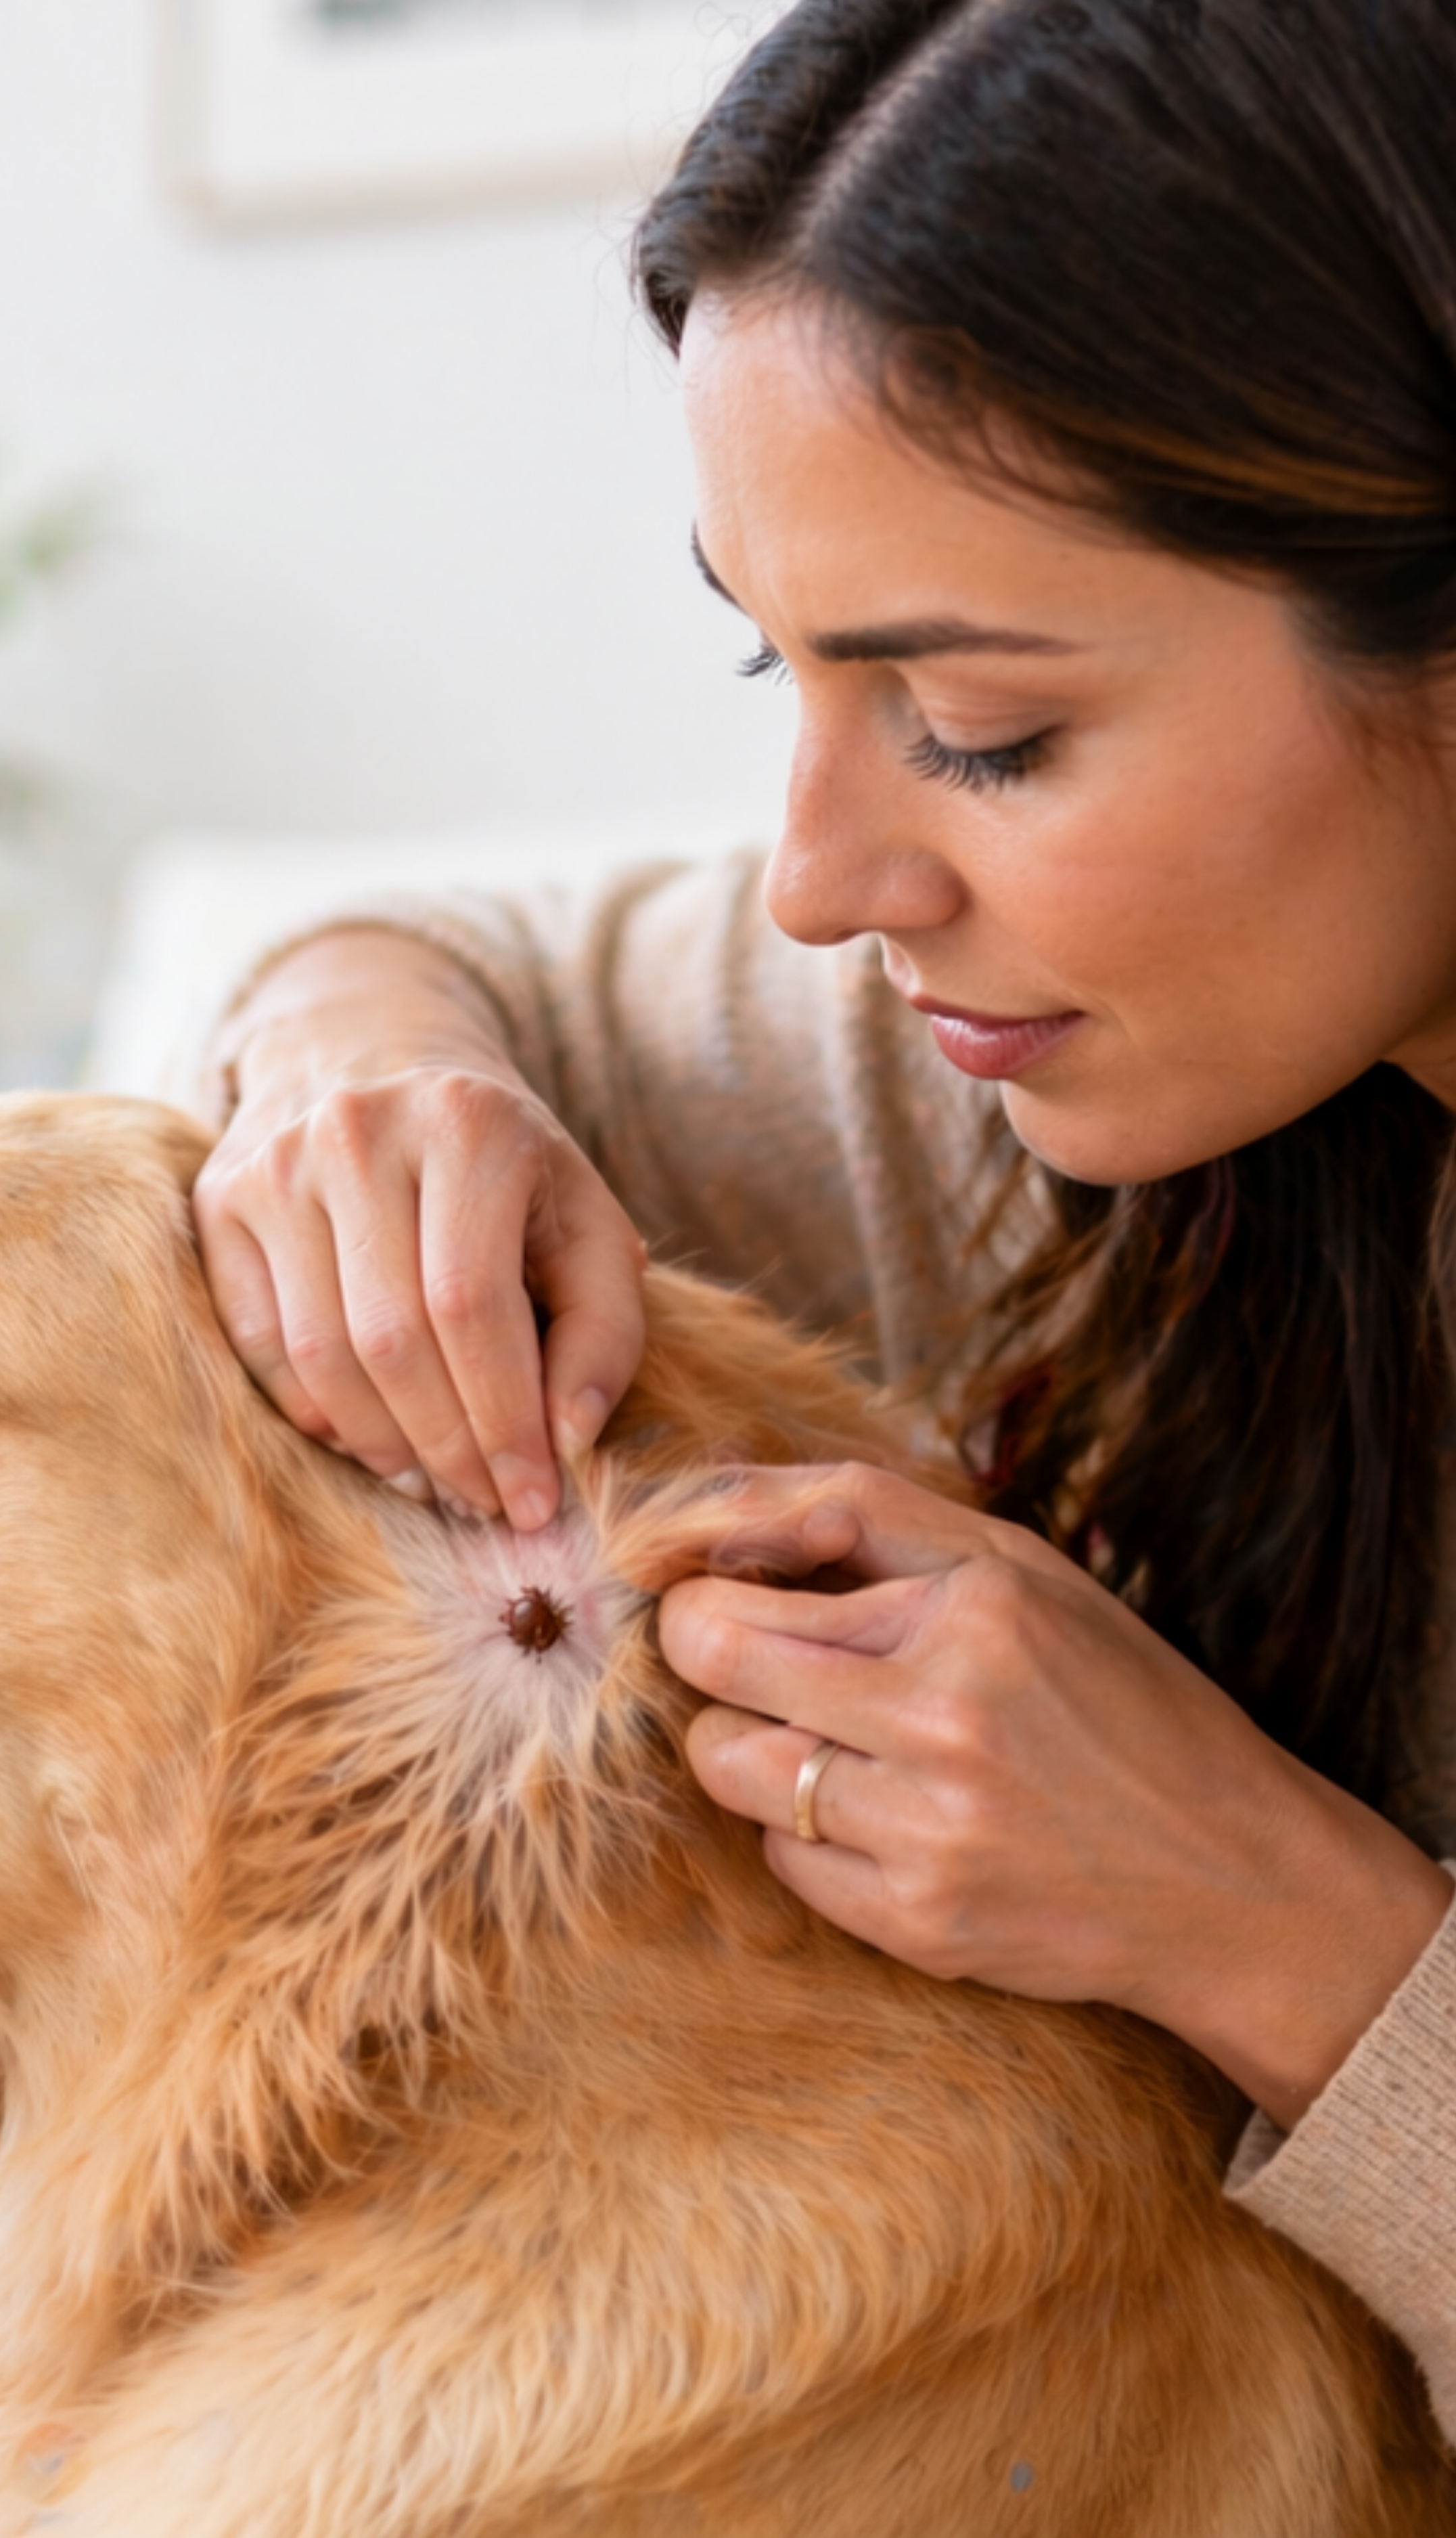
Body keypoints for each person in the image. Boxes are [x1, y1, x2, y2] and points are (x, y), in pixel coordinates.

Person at [195, 0, 1456, 2428]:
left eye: (981, 731)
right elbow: (431, 959)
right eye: (769, 666)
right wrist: (364, 1077)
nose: (814, 880)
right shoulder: (1028, 1071)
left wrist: (1270, 1925)